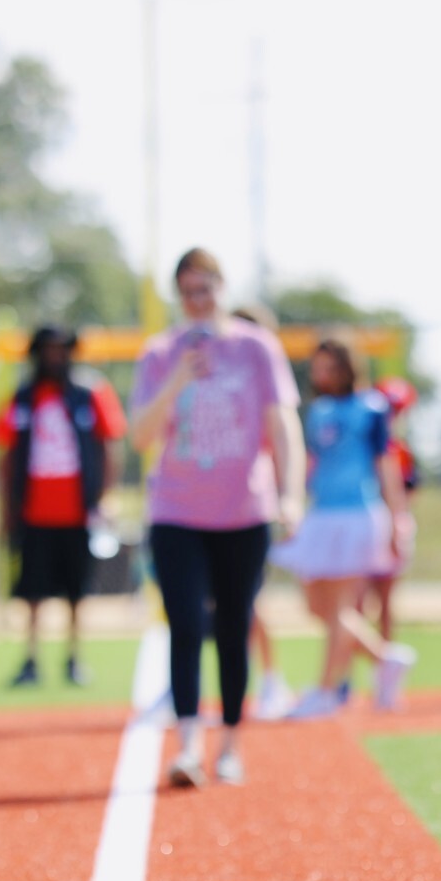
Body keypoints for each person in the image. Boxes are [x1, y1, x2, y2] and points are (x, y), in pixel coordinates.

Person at [129, 249, 304, 787]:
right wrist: (178, 377)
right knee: (184, 623)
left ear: (223, 288)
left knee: (234, 626)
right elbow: (139, 436)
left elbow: (282, 426)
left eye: (206, 289)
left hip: (243, 511)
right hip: (176, 511)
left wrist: (291, 493)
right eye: (187, 292)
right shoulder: (160, 353)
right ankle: (186, 746)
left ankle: (228, 745)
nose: (198, 301)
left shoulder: (256, 348)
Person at [271, 339, 416, 719]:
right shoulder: (317, 411)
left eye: (330, 367)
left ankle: (325, 690)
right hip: (321, 514)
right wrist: (293, 504)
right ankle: (385, 658)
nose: (323, 375)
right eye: (318, 367)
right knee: (315, 604)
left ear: (348, 368)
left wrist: (398, 519)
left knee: (340, 606)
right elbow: (312, 462)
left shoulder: (371, 407)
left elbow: (386, 466)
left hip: (358, 514)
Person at [0, 324, 125, 688]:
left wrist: (104, 498)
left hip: (78, 514)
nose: (55, 356)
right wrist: (6, 508)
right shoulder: (23, 398)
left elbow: (110, 447)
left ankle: (74, 658)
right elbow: (5, 455)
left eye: (62, 349)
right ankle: (31, 658)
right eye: (48, 349)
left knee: (76, 590)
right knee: (32, 590)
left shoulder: (89, 393)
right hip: (33, 514)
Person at [228, 301, 297, 722]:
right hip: (214, 510)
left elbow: (280, 448)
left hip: (254, 507)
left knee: (248, 600)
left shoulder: (268, 389)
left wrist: (285, 503)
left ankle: (272, 679)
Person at [366, 374, 421, 644]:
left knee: (385, 602)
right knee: (355, 604)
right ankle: (345, 678)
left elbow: (410, 490)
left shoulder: (401, 450)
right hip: (366, 523)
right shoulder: (366, 448)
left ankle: (385, 671)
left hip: (393, 523)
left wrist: (396, 523)